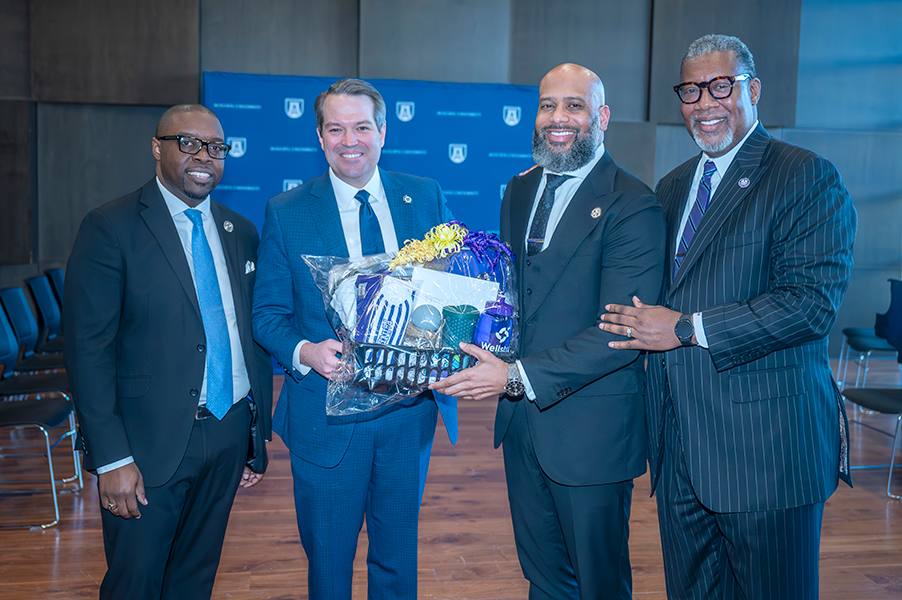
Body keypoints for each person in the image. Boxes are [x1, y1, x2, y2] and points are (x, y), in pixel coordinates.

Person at [600, 34, 856, 599]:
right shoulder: (671, 188)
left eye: (722, 86)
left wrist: (687, 327)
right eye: (691, 90)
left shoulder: (805, 177)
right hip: (682, 457)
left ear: (754, 90)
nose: (705, 102)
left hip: (766, 457)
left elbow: (808, 306)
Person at [431, 63, 665, 599]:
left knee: (597, 586)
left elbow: (619, 334)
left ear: (601, 117)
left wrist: (512, 376)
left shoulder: (634, 204)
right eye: (547, 105)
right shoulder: (519, 189)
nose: (558, 118)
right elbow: (515, 301)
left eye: (574, 106)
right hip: (522, 429)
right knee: (543, 581)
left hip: (591, 436)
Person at [251, 78, 457, 600]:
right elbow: (268, 315)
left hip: (408, 415)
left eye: (362, 126)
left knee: (397, 562)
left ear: (382, 132)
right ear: (320, 138)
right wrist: (307, 352)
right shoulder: (286, 210)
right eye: (336, 128)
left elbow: (455, 292)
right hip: (325, 419)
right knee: (328, 566)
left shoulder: (425, 195)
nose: (350, 140)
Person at [64, 104, 273, 600]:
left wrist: (251, 438)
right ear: (157, 148)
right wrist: (111, 458)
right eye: (189, 143)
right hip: (145, 446)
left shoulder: (239, 230)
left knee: (193, 581)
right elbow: (87, 350)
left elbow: (248, 335)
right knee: (135, 584)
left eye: (217, 148)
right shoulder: (110, 226)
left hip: (225, 434)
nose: (205, 157)